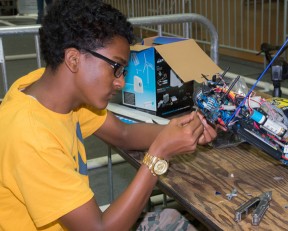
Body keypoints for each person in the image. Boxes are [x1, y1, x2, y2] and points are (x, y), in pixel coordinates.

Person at [0, 0, 217, 230]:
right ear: (74, 59)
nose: (121, 81)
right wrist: (158, 155)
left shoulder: (52, 91)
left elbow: (123, 133)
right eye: (116, 67)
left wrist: (182, 130)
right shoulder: (30, 135)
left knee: (171, 218)